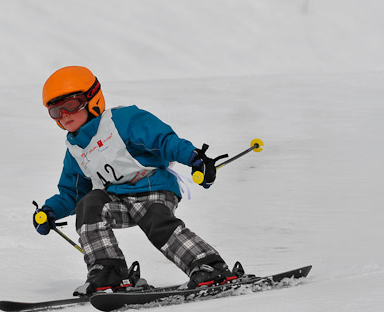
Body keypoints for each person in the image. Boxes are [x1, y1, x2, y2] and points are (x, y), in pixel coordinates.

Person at [33, 66, 236, 296]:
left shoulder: (122, 121)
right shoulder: (75, 150)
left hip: (152, 188)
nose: (64, 115)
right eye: (55, 111)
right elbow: (72, 193)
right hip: (116, 201)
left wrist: (195, 159)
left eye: (70, 105)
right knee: (89, 204)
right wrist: (50, 212)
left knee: (156, 220)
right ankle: (109, 272)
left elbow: (164, 141)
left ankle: (208, 266)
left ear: (92, 99)